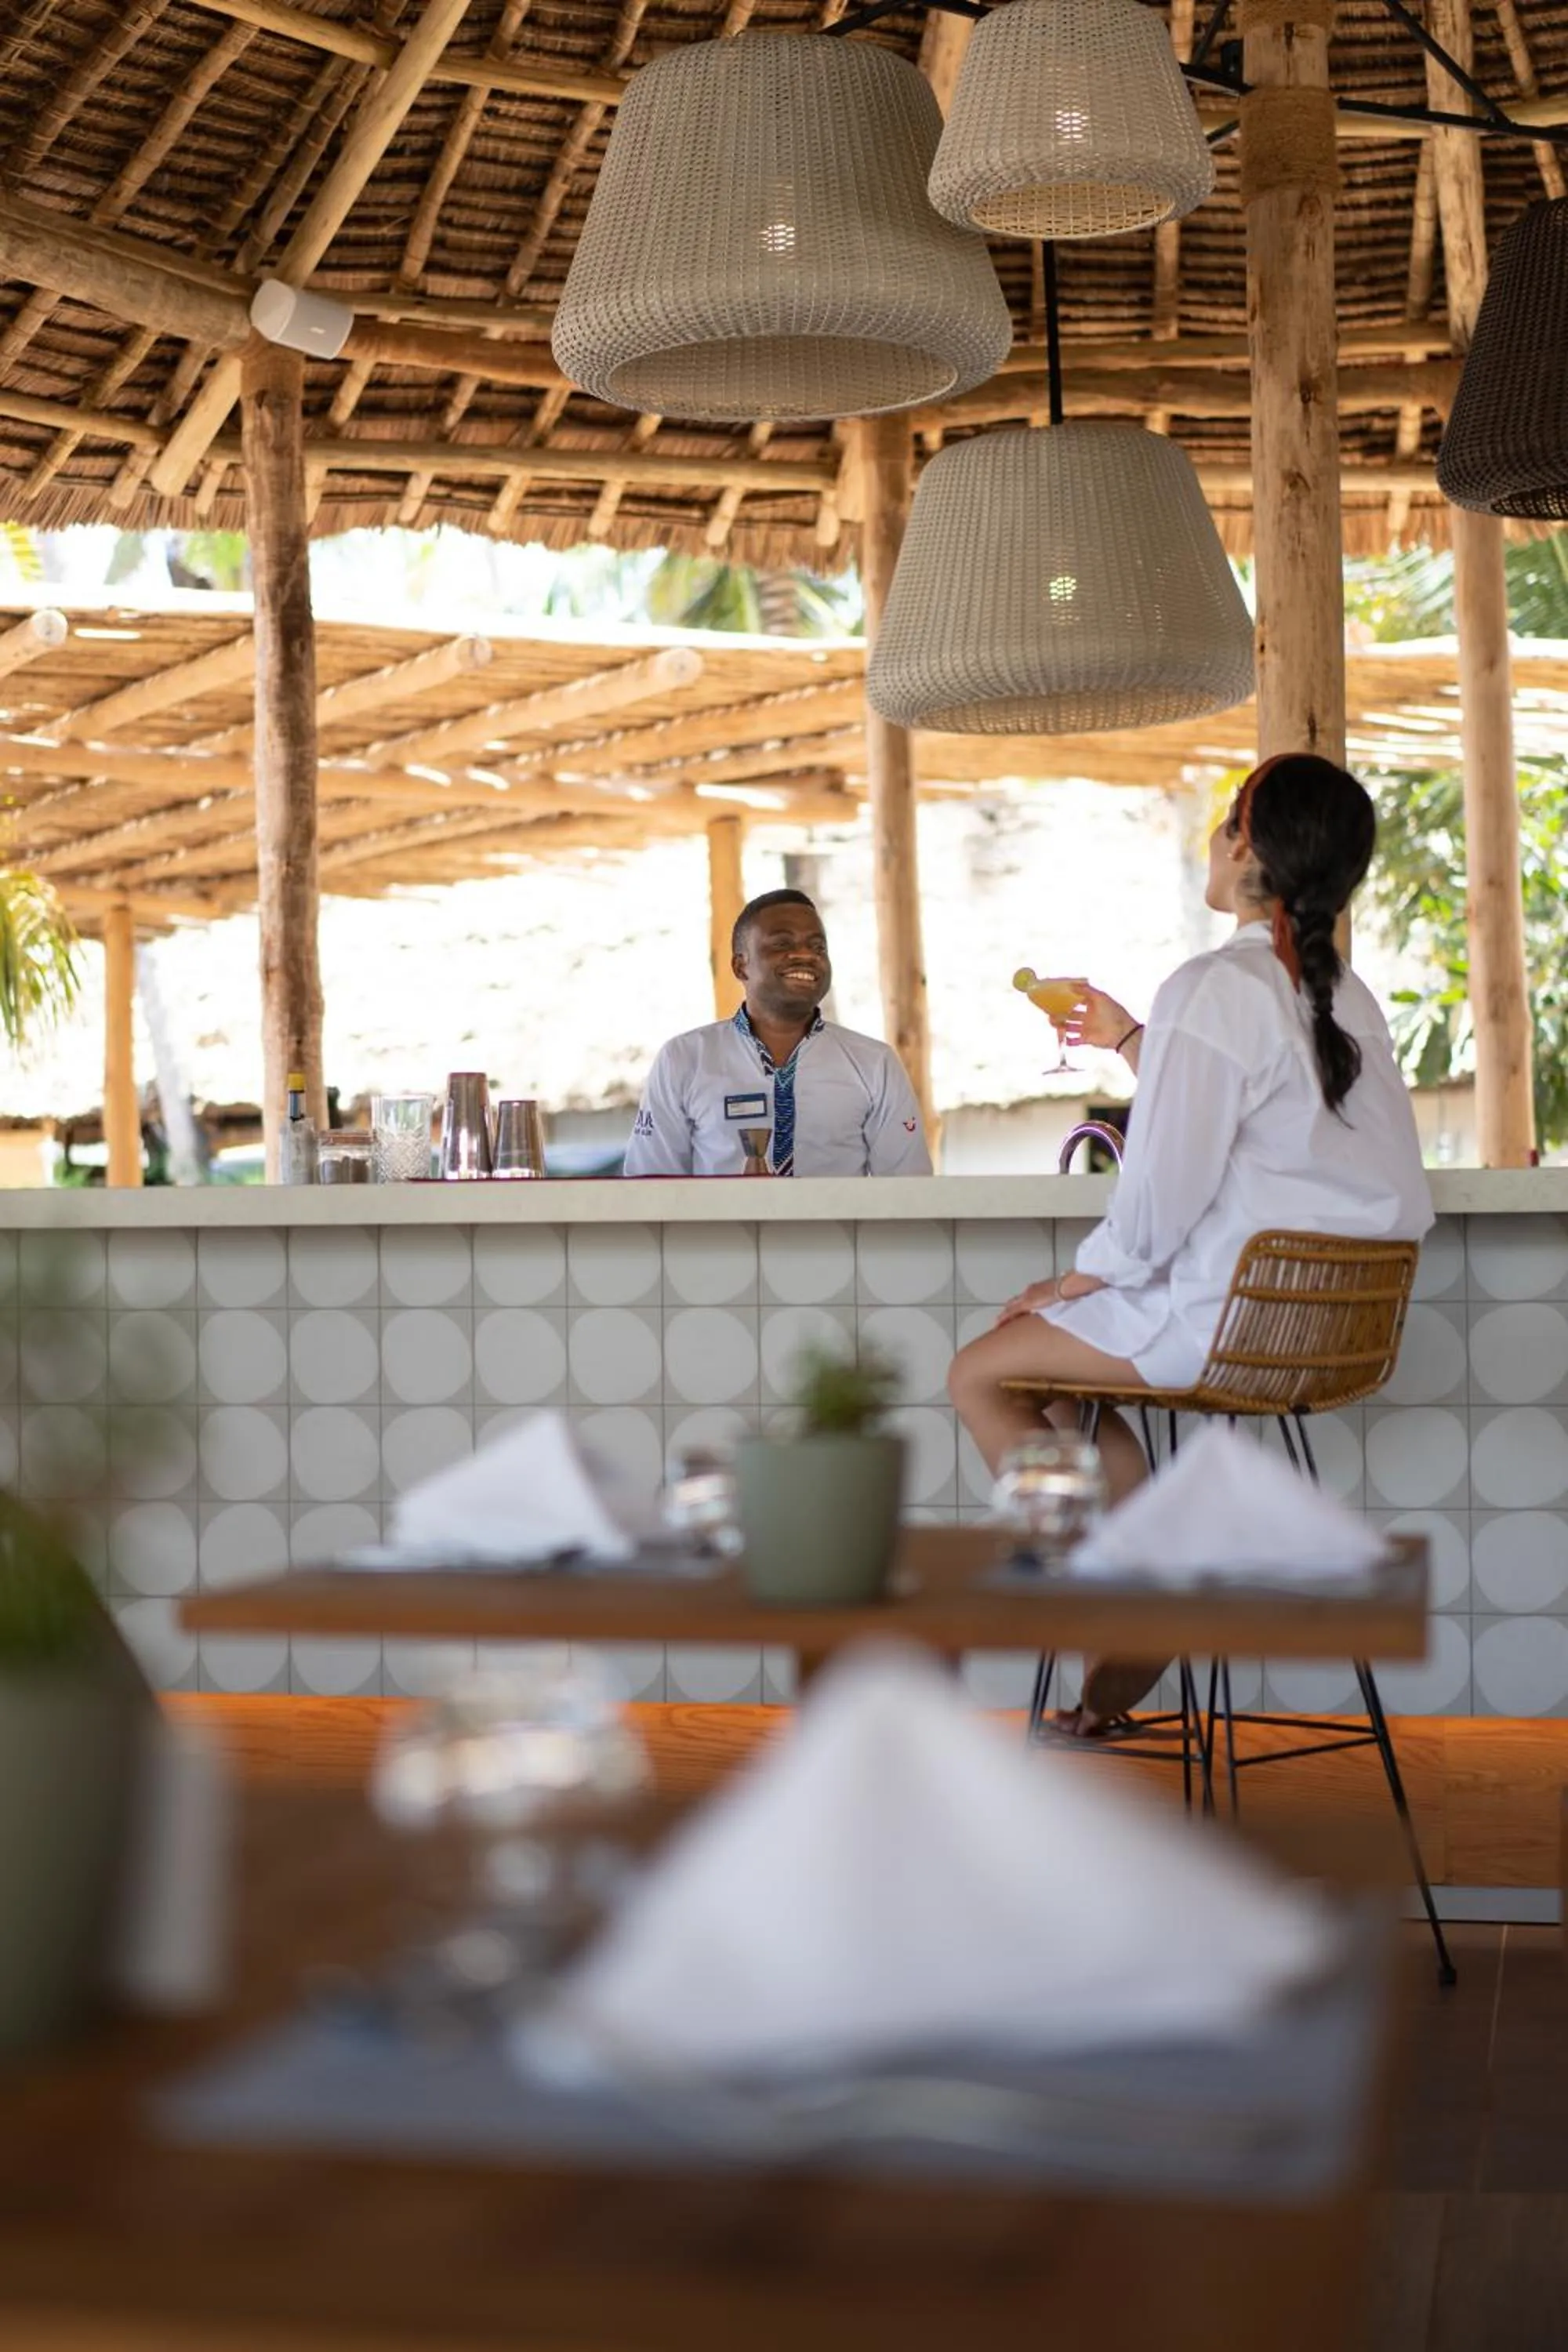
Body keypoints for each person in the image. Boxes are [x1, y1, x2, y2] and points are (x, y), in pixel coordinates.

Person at [947, 753, 1433, 1733]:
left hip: (1223, 1319)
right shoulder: (1349, 1000)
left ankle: (1126, 1591)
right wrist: (1136, 1039)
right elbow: (1261, 1116)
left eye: (1220, 824)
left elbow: (1160, 1195)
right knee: (1063, 1378)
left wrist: (1072, 1279)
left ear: (1244, 844)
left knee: (981, 1372)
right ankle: (1139, 1557)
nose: (1210, 842)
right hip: (1327, 1330)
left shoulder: (1212, 986)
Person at [622, 889, 932, 1178]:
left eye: (817, 946)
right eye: (782, 943)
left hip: (836, 1237)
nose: (805, 955)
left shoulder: (874, 1064)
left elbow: (908, 1191)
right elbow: (651, 1187)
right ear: (741, 967)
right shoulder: (685, 1059)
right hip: (722, 1238)